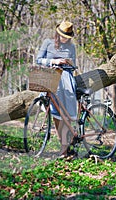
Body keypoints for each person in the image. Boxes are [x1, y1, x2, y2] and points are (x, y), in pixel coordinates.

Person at [36, 21, 77, 158]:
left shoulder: (71, 47)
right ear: (57, 34)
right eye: (63, 35)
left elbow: (73, 67)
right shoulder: (48, 43)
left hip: (65, 79)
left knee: (66, 114)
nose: (65, 39)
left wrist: (69, 64)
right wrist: (55, 62)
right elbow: (39, 60)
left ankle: (65, 146)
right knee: (56, 113)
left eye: (67, 37)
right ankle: (63, 143)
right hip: (51, 76)